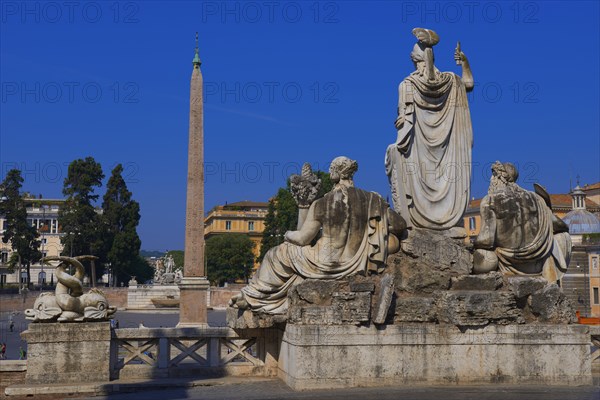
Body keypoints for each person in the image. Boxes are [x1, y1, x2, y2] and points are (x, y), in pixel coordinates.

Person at [230, 156, 406, 314]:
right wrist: (378, 229)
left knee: (275, 255)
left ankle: (253, 296)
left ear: (335, 174)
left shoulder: (323, 203)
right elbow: (400, 224)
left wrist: (287, 234)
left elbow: (303, 239)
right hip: (357, 262)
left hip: (325, 261)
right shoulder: (373, 200)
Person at [385, 28, 474, 230]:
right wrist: (465, 63)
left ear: (417, 61)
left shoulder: (407, 85)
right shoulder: (451, 81)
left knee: (392, 152)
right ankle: (447, 215)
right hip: (447, 155)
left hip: (417, 154)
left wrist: (400, 123)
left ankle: (413, 218)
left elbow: (404, 127)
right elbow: (469, 83)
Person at [473, 162, 571, 282]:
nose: (490, 179)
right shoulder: (538, 199)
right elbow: (560, 226)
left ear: (499, 177)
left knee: (483, 257)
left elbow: (486, 241)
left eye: (493, 175)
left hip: (506, 262)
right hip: (536, 264)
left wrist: (472, 246)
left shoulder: (490, 200)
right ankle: (550, 277)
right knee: (562, 236)